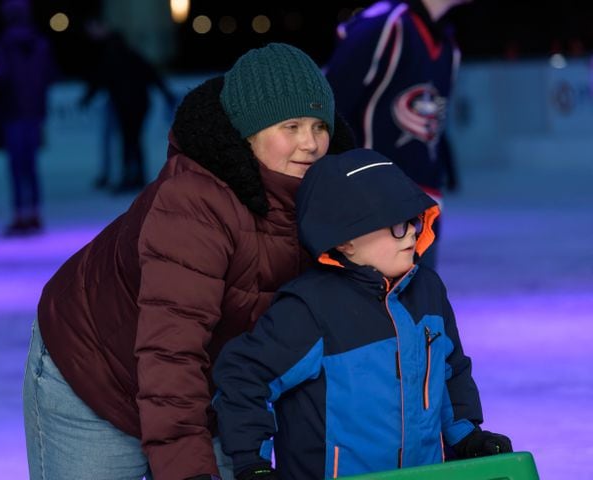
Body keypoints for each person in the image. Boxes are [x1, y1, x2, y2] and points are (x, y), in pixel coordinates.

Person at [24, 42, 355, 480]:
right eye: (290, 126)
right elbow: (170, 353)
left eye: (318, 126)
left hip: (207, 395)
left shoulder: (332, 202)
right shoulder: (194, 206)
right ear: (247, 133)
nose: (310, 144)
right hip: (95, 376)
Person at [212, 148, 512, 479]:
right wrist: (251, 462)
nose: (411, 232)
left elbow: (450, 370)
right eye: (396, 225)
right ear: (345, 241)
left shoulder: (427, 291)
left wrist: (467, 438)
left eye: (412, 220)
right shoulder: (310, 309)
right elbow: (244, 377)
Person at [324, 0, 470, 268]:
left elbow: (433, 130)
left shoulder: (449, 44)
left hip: (425, 207)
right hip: (373, 207)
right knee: (373, 308)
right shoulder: (385, 24)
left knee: (420, 306)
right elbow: (329, 107)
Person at [79, 26, 177, 192]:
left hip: (127, 106)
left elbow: (98, 80)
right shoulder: (133, 55)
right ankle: (137, 175)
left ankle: (130, 176)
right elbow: (153, 75)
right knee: (135, 140)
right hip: (139, 105)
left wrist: (86, 99)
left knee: (128, 140)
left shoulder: (111, 58)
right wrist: (167, 94)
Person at [0, 0, 55, 235]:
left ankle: (21, 213)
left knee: (17, 166)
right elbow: (49, 75)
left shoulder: (5, 44)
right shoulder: (40, 43)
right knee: (30, 165)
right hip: (33, 112)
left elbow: (2, 77)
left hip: (13, 112)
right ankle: (35, 213)